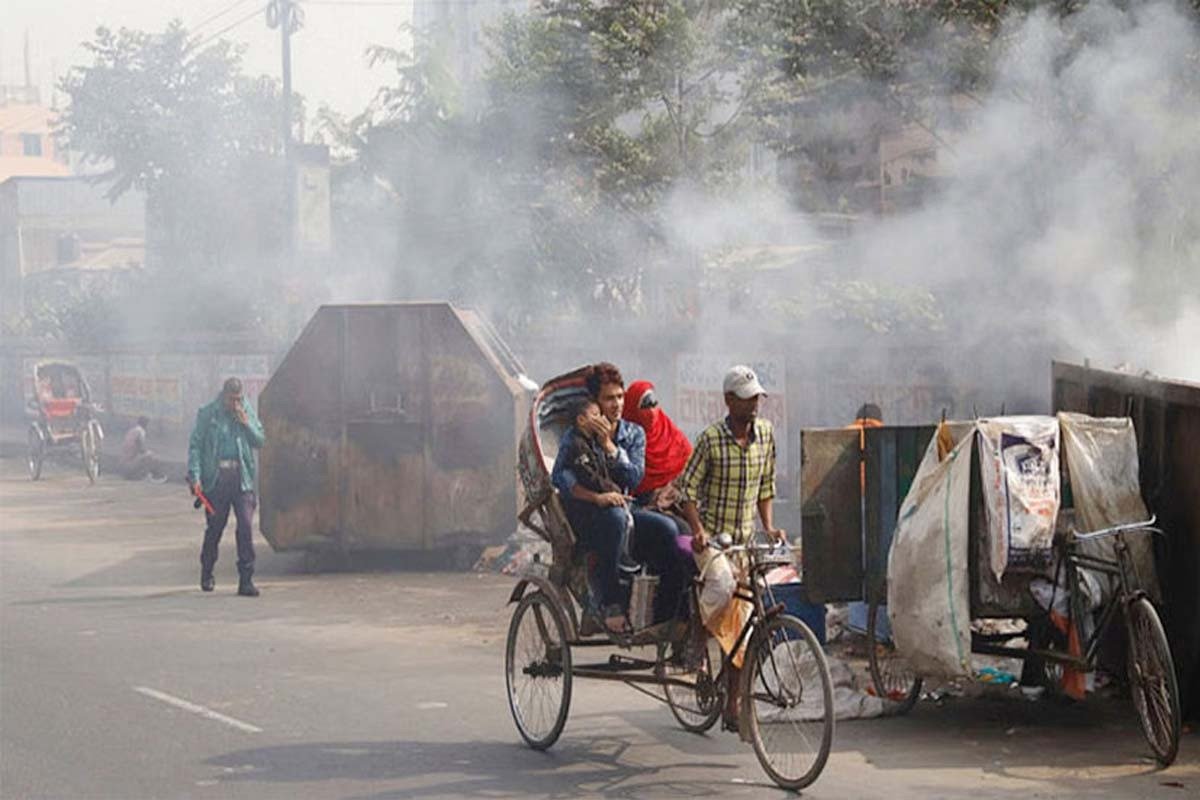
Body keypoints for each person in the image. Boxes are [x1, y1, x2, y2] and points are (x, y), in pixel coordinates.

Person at [678, 364, 785, 731]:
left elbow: (766, 485)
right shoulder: (710, 439)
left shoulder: (767, 434)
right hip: (712, 541)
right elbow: (686, 490)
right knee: (722, 586)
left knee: (747, 627)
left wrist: (769, 526)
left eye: (756, 397)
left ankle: (733, 706)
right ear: (728, 401)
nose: (753, 405)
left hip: (744, 541)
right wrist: (698, 530)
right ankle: (695, 637)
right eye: (745, 399)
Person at [551, 363, 645, 632]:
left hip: (624, 506)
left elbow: (634, 479)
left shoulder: (633, 434)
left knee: (669, 529)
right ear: (596, 402)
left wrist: (609, 446)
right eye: (608, 399)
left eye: (620, 397)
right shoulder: (577, 436)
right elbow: (560, 476)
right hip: (587, 513)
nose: (616, 404)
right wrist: (597, 498)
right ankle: (610, 601)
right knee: (614, 519)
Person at [621, 380, 696, 622]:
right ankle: (667, 614)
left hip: (675, 502)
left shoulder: (670, 433)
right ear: (633, 409)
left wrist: (673, 489)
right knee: (674, 532)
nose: (652, 410)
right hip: (637, 508)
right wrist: (653, 498)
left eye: (654, 403)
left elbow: (690, 470)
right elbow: (624, 479)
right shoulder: (627, 437)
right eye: (645, 405)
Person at [187, 378, 266, 597]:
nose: (236, 403)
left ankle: (246, 579)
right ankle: (207, 570)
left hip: (242, 479)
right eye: (232, 399)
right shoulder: (208, 414)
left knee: (246, 527)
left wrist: (246, 423)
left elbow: (259, 440)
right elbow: (195, 446)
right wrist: (195, 476)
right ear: (224, 396)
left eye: (239, 399)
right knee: (215, 528)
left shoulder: (246, 411)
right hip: (217, 479)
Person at [119, 415, 167, 482]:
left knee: (147, 455)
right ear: (146, 424)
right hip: (130, 464)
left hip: (123, 464)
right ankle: (149, 476)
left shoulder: (132, 430)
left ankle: (139, 475)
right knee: (151, 457)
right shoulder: (140, 432)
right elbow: (142, 449)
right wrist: (149, 452)